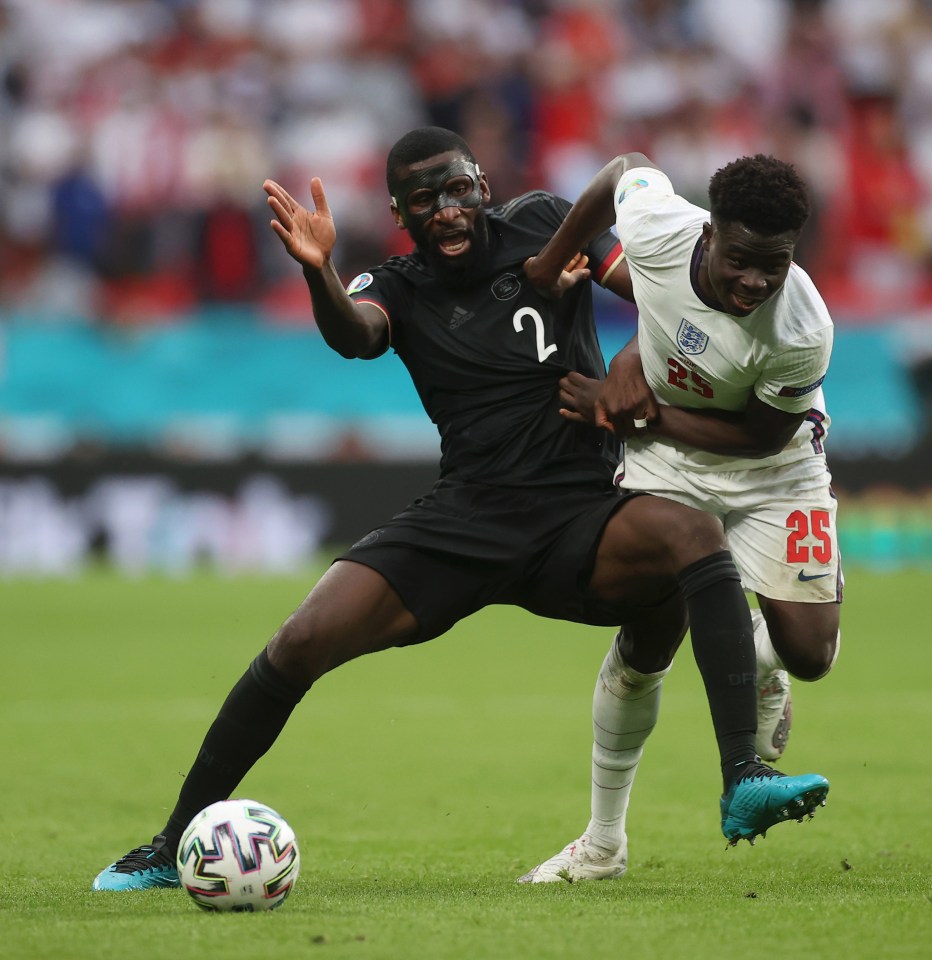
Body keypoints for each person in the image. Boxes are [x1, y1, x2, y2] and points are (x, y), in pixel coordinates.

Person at [91, 128, 828, 892]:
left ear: (481, 184)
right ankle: (172, 844)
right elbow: (356, 335)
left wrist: (628, 362)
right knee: (299, 640)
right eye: (423, 200)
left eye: (457, 190)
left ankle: (740, 771)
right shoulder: (398, 284)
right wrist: (322, 278)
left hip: (581, 512)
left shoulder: (545, 223)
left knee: (689, 534)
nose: (446, 212)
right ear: (398, 213)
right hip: (464, 518)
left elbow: (661, 296)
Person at [518, 150, 842, 882]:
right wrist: (551, 260)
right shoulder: (660, 225)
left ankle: (757, 654)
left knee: (812, 656)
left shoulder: (803, 327)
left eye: (776, 264)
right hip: (669, 465)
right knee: (648, 637)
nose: (756, 281)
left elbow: (761, 437)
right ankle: (602, 843)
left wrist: (634, 417)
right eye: (741, 260)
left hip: (774, 469)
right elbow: (620, 170)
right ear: (709, 233)